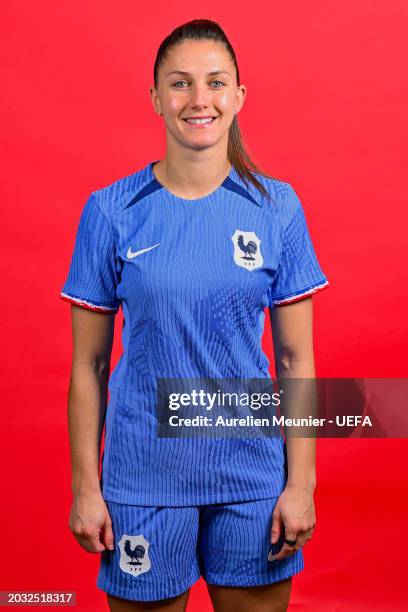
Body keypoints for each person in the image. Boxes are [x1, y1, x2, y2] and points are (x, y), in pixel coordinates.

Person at [60, 18, 329, 612]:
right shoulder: (110, 211)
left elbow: (295, 358)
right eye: (180, 84)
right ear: (156, 98)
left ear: (238, 96)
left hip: (250, 477)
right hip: (142, 478)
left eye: (215, 82)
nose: (199, 99)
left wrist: (301, 483)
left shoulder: (276, 208)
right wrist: (86, 486)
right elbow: (89, 363)